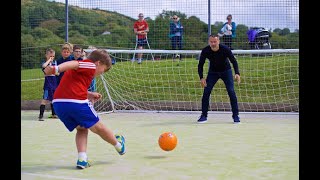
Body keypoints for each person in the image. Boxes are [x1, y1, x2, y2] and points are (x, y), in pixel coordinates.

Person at [43, 49, 126, 169]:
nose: (101, 73)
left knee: (82, 129)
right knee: (99, 127)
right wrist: (56, 69)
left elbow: (73, 86)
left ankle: (82, 159)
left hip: (59, 104)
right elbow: (75, 63)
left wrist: (89, 94)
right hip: (76, 103)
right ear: (98, 63)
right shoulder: (90, 64)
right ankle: (119, 145)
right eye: (103, 70)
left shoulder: (82, 72)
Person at [197, 35, 241, 124]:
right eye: (211, 42)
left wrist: (237, 73)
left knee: (231, 91)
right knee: (206, 92)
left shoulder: (225, 49)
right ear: (209, 42)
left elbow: (233, 61)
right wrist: (201, 77)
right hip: (213, 72)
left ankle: (235, 115)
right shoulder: (205, 50)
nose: (213, 43)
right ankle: (204, 115)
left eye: (215, 42)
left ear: (218, 41)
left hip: (226, 71)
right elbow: (200, 64)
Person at [38, 48, 58, 121]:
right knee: (45, 99)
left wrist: (54, 72)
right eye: (50, 56)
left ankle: (54, 114)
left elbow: (57, 72)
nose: (52, 58)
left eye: (53, 56)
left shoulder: (55, 62)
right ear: (46, 55)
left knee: (53, 99)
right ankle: (41, 115)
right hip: (48, 84)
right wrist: (49, 60)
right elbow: (44, 66)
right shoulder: (45, 63)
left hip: (54, 84)